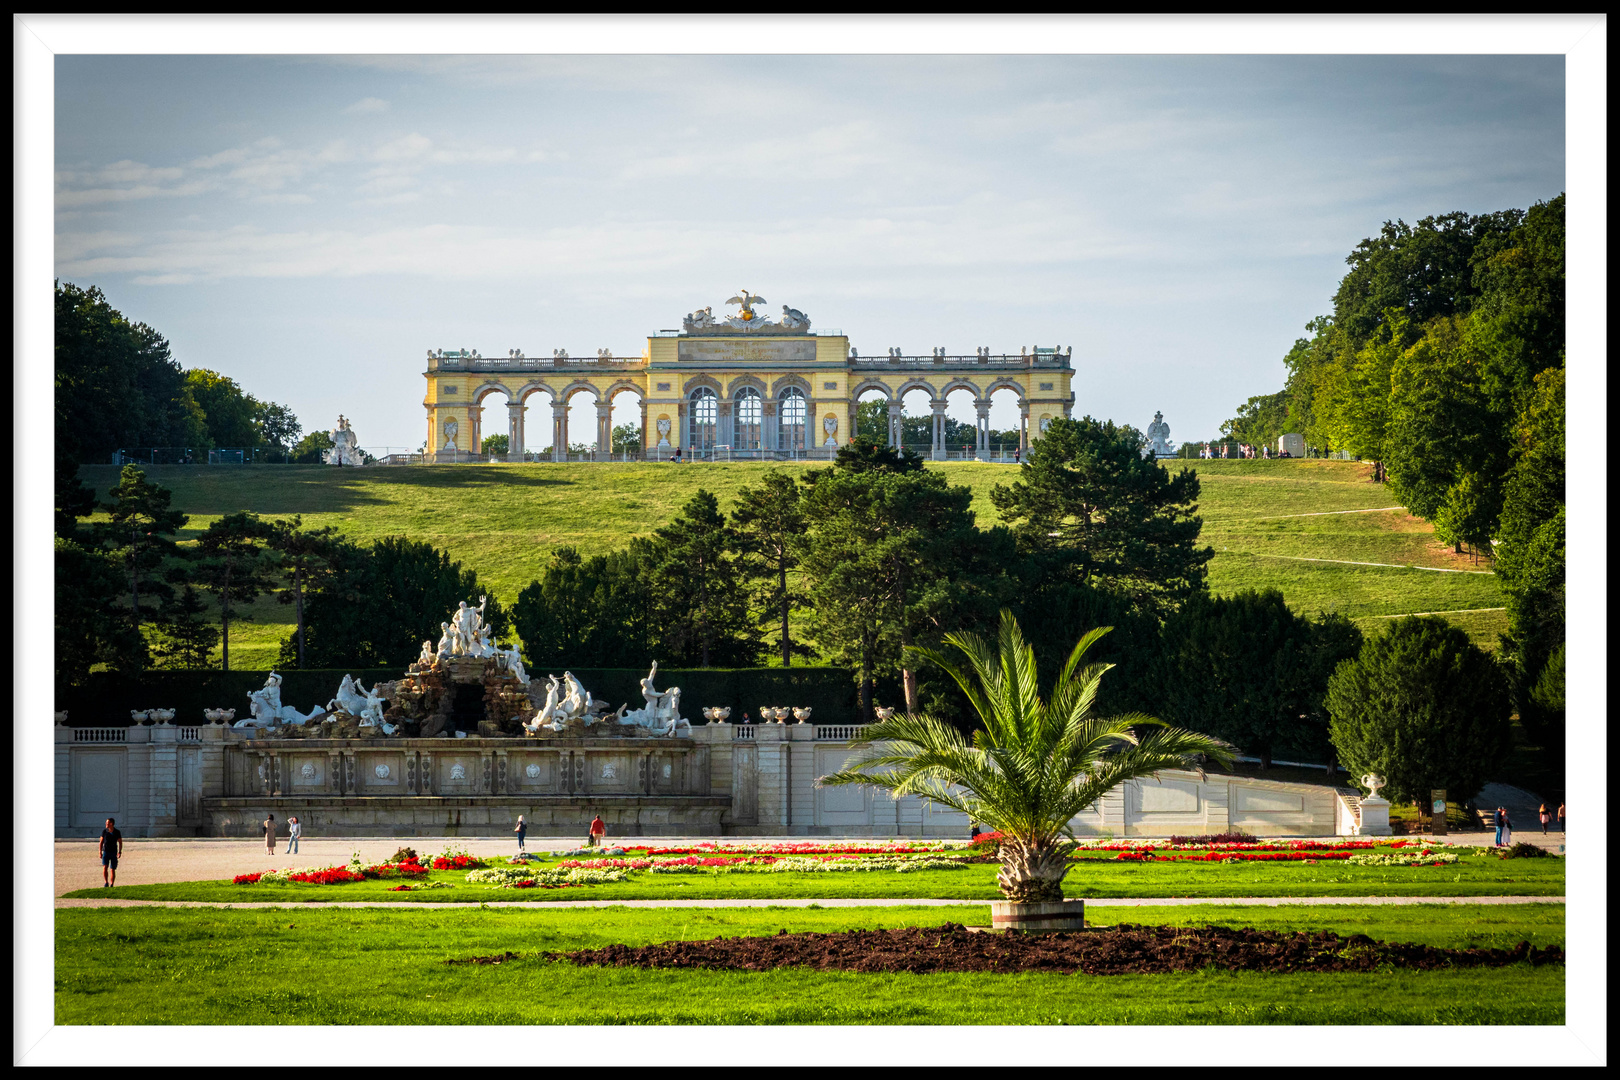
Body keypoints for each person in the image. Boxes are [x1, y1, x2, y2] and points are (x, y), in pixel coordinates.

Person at [99, 817, 123, 888]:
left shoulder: (117, 832)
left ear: (111, 824)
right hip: (106, 851)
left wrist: (119, 852)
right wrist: (100, 851)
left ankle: (112, 884)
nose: (106, 824)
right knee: (105, 867)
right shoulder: (104, 831)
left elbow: (120, 842)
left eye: (107, 823)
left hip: (113, 852)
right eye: (106, 823)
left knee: (112, 869)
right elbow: (101, 842)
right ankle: (106, 882)